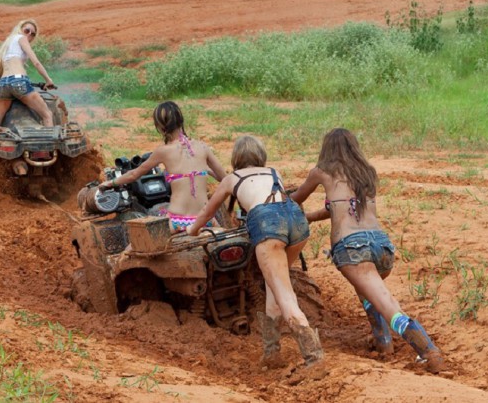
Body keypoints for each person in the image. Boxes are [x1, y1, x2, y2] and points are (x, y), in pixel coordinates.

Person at [290, 128, 446, 374]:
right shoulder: (366, 173)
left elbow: (295, 198)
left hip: (352, 248)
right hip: (382, 247)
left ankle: (427, 350)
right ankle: (383, 343)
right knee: (369, 291)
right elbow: (346, 208)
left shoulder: (322, 172)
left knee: (387, 304)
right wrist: (311, 217)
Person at [187, 135, 325, 371]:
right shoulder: (274, 172)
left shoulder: (231, 179)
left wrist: (192, 230)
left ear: (236, 158)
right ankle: (271, 353)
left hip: (268, 226)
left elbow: (207, 212)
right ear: (261, 156)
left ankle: (314, 358)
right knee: (274, 286)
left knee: (285, 296)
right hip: (296, 224)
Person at [99, 101, 227, 233]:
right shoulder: (202, 147)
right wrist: (205, 170)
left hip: (179, 221)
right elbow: (224, 178)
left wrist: (110, 182)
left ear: (160, 127)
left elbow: (133, 175)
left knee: (135, 247)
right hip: (206, 220)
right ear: (181, 120)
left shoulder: (163, 151)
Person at [0, 19, 55, 130]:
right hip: (19, 81)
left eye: (33, 34)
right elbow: (36, 62)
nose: (29, 34)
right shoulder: (21, 38)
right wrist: (48, 80)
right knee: (47, 115)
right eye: (27, 30)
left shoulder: (8, 44)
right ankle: (49, 145)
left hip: (3, 84)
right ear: (20, 29)